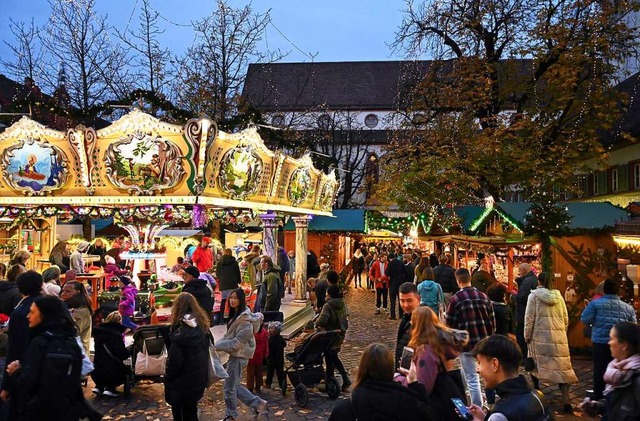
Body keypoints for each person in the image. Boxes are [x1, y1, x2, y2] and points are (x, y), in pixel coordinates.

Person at [5, 295, 92, 420]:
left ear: (44, 315)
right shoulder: (70, 341)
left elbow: (28, 382)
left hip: (38, 411)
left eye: (32, 312)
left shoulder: (39, 342)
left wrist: (16, 371)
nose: (28, 316)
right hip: (65, 410)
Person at [328, 343, 432, 421]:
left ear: (362, 369)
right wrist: (414, 383)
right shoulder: (408, 404)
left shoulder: (344, 410)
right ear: (390, 368)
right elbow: (429, 416)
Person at [524, 271, 578, 413]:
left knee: (536, 367)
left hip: (539, 337)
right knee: (561, 368)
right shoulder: (558, 297)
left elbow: (529, 319)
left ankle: (536, 395)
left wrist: (526, 335)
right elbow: (565, 318)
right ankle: (566, 400)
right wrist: (562, 332)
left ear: (538, 282)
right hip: (558, 337)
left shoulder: (533, 296)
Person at [469, 335, 550, 421]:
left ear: (494, 364)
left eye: (479, 362)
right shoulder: (538, 395)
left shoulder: (500, 415)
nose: (477, 369)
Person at [446, 267, 495, 408]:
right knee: (479, 375)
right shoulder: (484, 296)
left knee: (472, 379)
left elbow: (449, 324)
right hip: (484, 342)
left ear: (458, 281)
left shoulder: (456, 299)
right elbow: (492, 322)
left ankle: (477, 408)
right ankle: (461, 390)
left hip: (467, 344)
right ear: (469, 279)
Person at [580, 277, 636, 401]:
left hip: (599, 341)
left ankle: (599, 396)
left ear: (604, 290)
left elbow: (585, 319)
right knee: (618, 369)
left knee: (599, 369)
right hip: (620, 344)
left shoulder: (595, 304)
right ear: (618, 291)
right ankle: (615, 395)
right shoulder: (628, 307)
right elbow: (633, 325)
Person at [216, 288, 267, 421]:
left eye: (235, 298)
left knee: (229, 387)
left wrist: (216, 346)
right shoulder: (237, 316)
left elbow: (236, 343)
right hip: (237, 354)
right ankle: (258, 404)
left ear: (241, 300)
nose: (232, 300)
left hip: (240, 355)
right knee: (234, 385)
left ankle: (231, 415)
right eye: (231, 298)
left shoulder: (245, 321)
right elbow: (228, 336)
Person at [0, 270, 43, 417]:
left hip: (26, 371)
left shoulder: (22, 312)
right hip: (48, 370)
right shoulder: (50, 304)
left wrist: (7, 386)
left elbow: (15, 349)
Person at [164, 293, 210, 421]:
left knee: (180, 414)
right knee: (191, 411)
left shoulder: (179, 333)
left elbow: (174, 363)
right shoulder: (202, 328)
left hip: (182, 383)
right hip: (198, 379)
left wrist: (168, 378)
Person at [316, 285, 351, 392]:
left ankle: (341, 379)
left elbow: (322, 321)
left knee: (331, 356)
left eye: (327, 293)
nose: (326, 294)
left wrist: (317, 320)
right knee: (331, 356)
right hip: (339, 334)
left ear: (330, 294)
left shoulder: (328, 306)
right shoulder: (342, 303)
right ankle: (330, 380)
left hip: (329, 335)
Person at [91, 311, 129, 397]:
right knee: (123, 368)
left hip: (98, 368)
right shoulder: (116, 335)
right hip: (112, 370)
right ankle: (110, 388)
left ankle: (99, 386)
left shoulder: (98, 333)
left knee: (104, 364)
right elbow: (122, 354)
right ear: (119, 322)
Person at [511, 263, 537, 362]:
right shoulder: (533, 279)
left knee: (521, 335)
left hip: (523, 312)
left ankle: (524, 358)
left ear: (524, 271)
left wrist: (512, 297)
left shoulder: (527, 281)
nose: (519, 273)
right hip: (528, 311)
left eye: (520, 271)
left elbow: (522, 297)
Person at [60, 281, 93, 356]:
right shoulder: (67, 306)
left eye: (68, 291)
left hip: (78, 353)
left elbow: (75, 333)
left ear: (78, 292)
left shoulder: (81, 310)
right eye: (63, 290)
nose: (63, 293)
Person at [396, 282, 420, 369]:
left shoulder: (422, 321)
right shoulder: (407, 317)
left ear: (418, 299)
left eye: (409, 300)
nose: (405, 305)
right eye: (402, 301)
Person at [216, 248, 242, 324]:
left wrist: (221, 280)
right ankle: (232, 317)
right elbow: (237, 273)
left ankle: (221, 319)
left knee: (223, 301)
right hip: (232, 283)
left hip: (223, 284)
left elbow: (217, 274)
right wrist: (239, 281)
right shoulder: (234, 262)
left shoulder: (219, 262)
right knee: (233, 300)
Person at [246, 323, 268, 394]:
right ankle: (258, 386)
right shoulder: (264, 332)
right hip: (260, 356)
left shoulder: (250, 333)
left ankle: (250, 388)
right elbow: (266, 344)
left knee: (250, 372)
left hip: (251, 355)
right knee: (258, 372)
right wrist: (266, 353)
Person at [266, 321, 286, 392]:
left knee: (270, 371)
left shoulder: (270, 339)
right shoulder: (280, 338)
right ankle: (282, 384)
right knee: (280, 372)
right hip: (280, 358)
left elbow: (268, 348)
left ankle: (268, 383)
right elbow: (284, 344)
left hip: (271, 358)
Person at [386, 253, 406, 320]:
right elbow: (405, 272)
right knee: (401, 300)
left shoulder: (390, 264)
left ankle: (393, 315)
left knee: (392, 301)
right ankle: (401, 315)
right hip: (400, 284)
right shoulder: (401, 263)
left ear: (390, 258)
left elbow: (387, 273)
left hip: (393, 284)